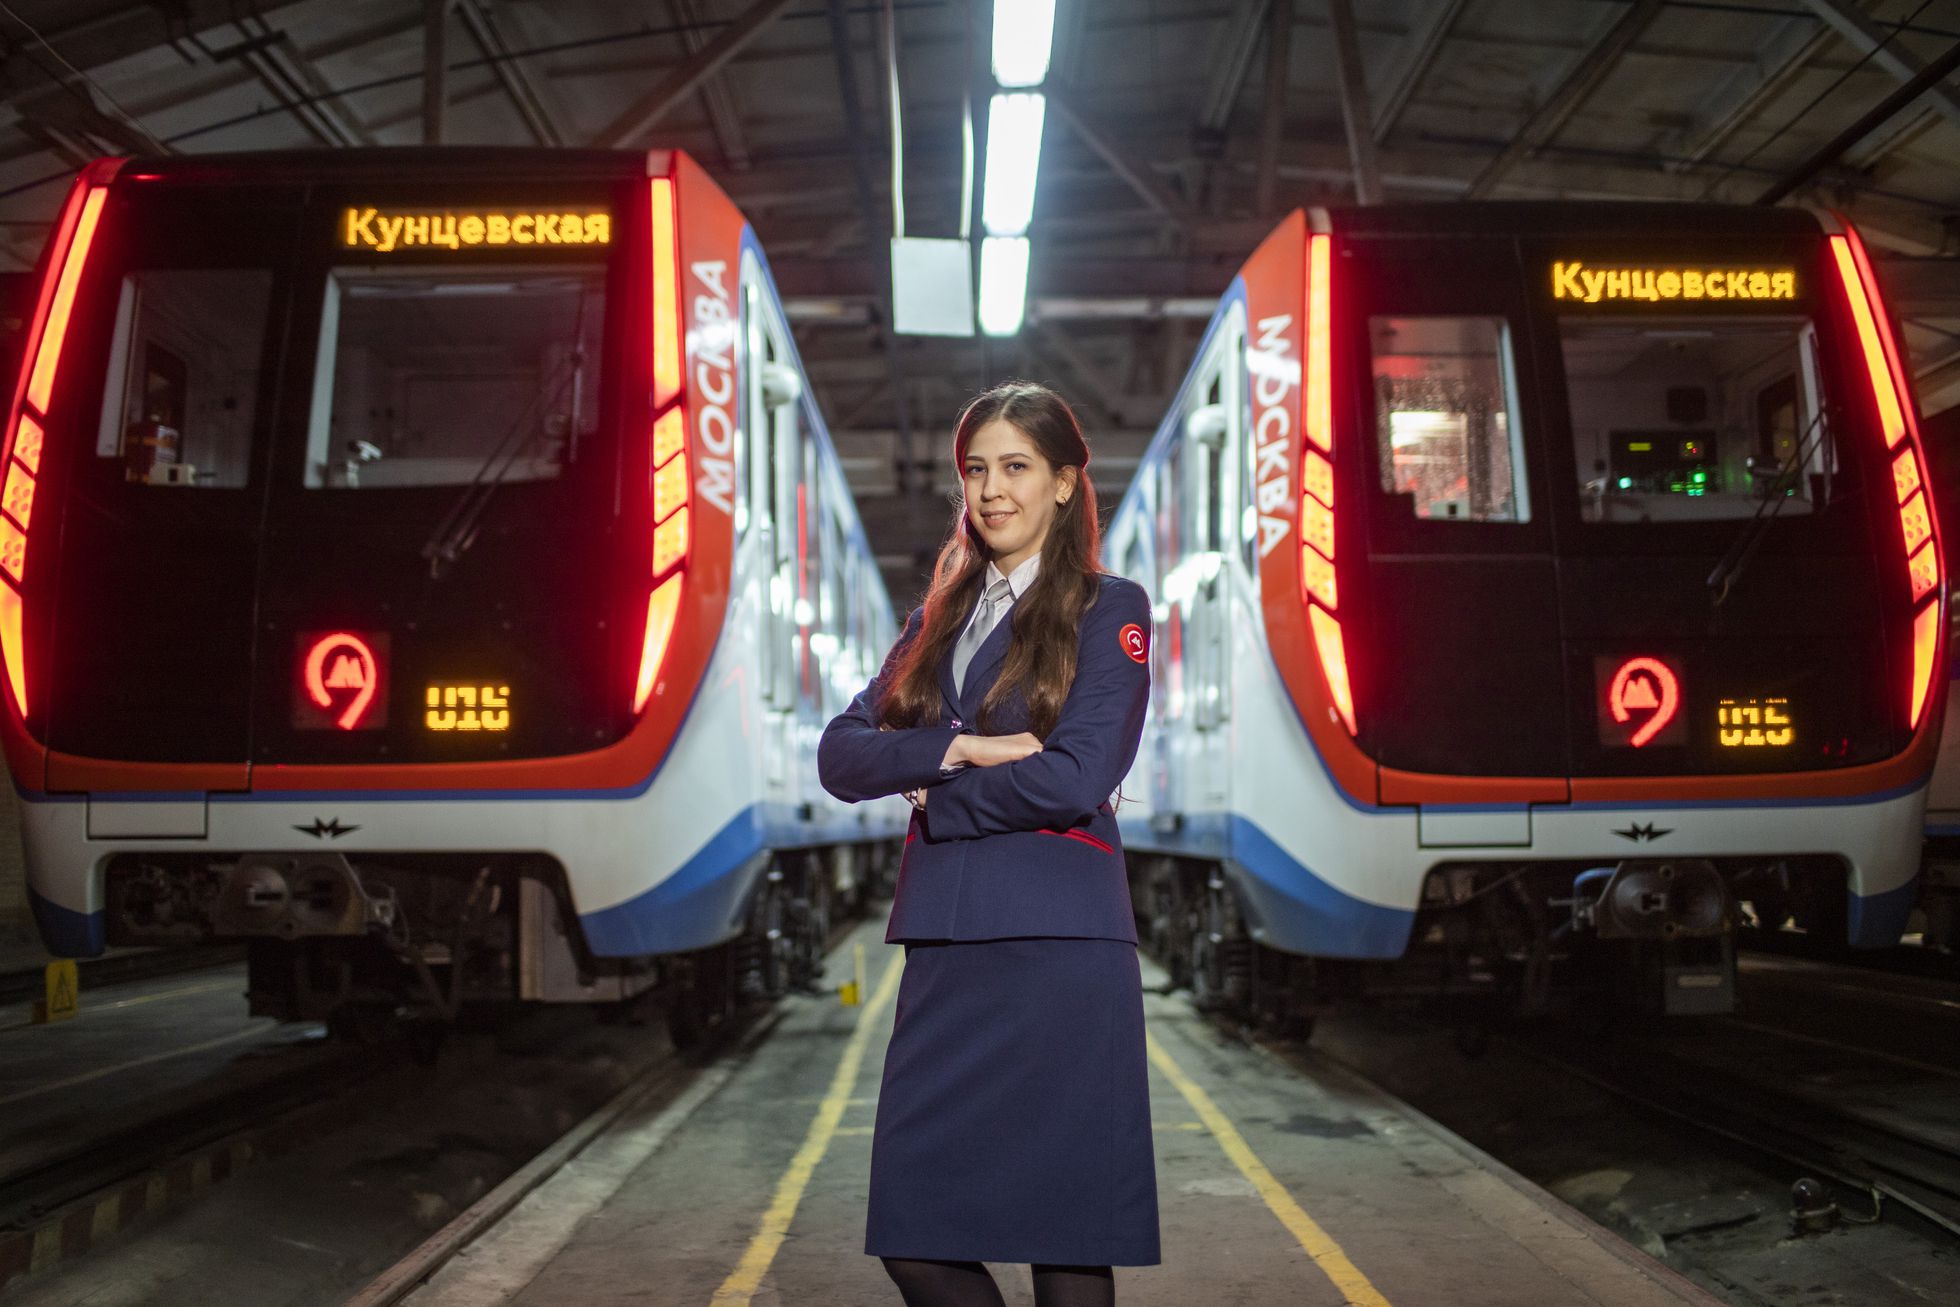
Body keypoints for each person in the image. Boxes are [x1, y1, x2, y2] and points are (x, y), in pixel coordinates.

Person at [818, 381, 1160, 1307]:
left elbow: (1078, 776)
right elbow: (841, 754)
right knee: (914, 1232)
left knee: (1068, 1234)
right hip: (944, 949)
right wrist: (958, 745)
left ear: (1062, 483)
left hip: (1058, 950)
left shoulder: (1107, 609)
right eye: (976, 469)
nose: (992, 489)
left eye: (1016, 467)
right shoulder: (937, 621)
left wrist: (935, 797)